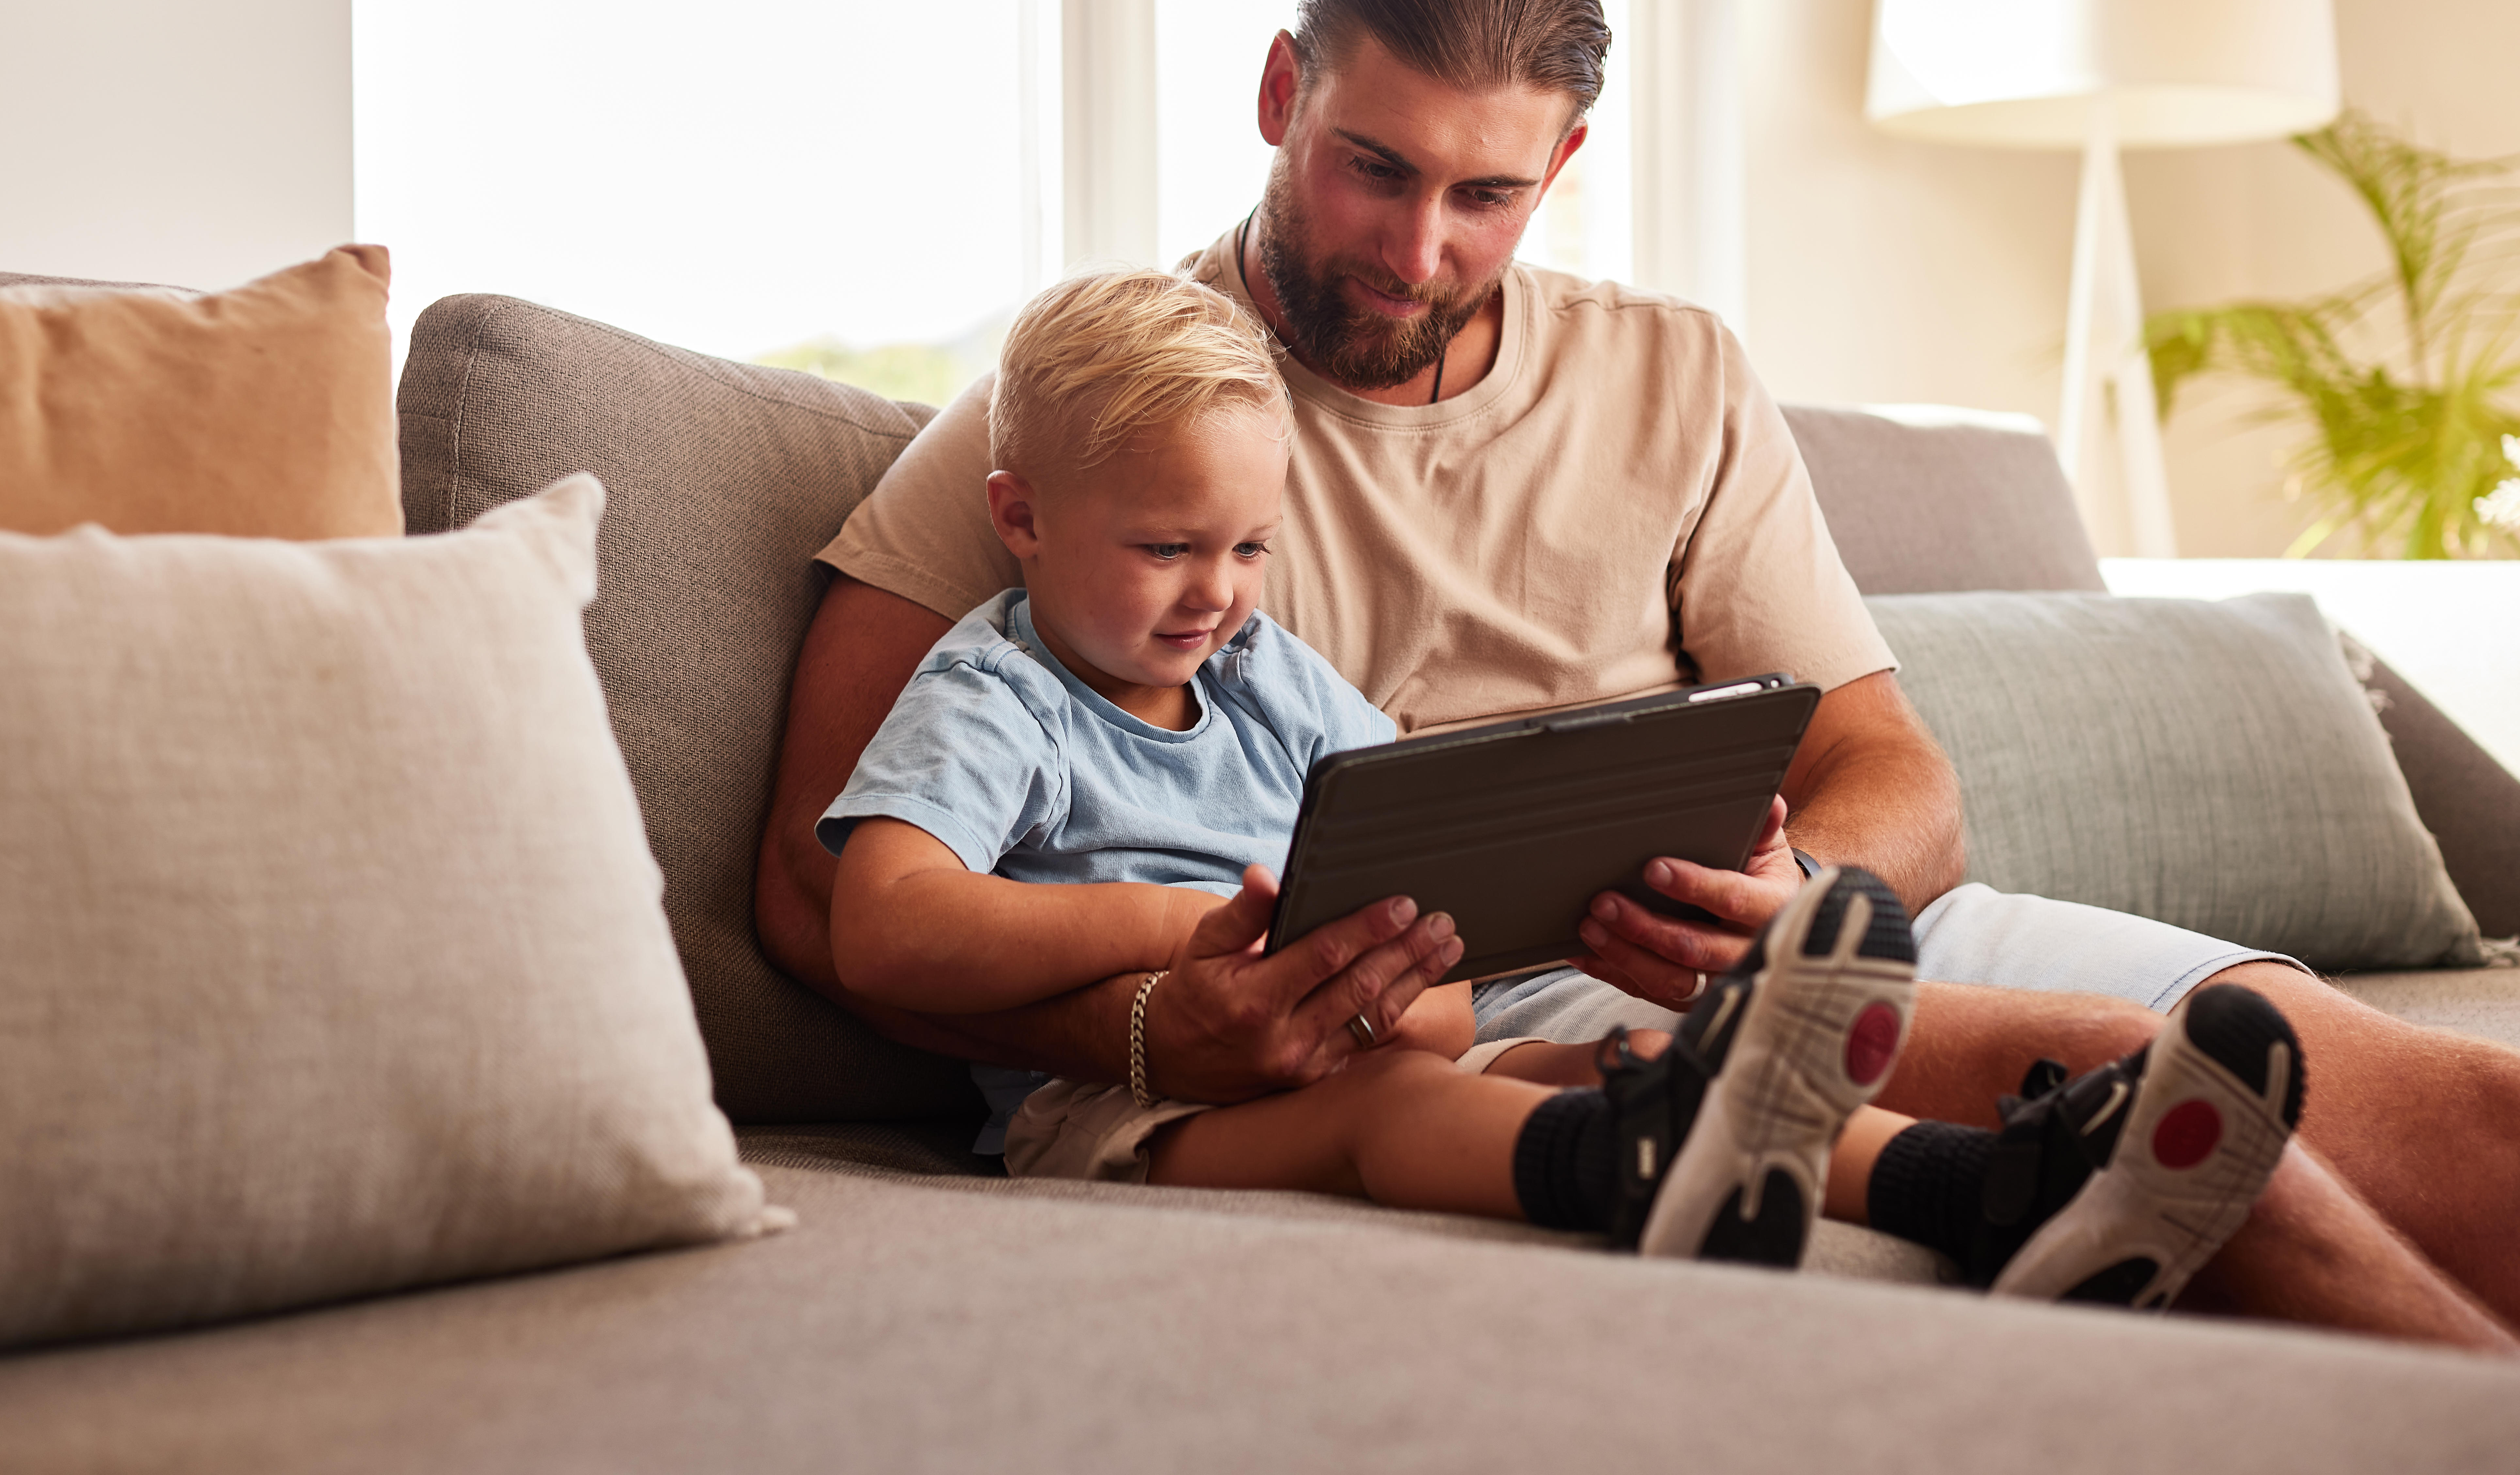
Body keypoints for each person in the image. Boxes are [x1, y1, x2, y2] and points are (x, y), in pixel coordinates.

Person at [758, 0, 2520, 1350]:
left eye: (1488, 195)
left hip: (1766, 942)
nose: (1419, 250)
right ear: (1284, 88)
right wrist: (1149, 1025)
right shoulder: (1106, 415)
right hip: (1505, 1004)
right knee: (2173, 1091)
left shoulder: (1673, 371)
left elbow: (1892, 769)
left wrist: (1796, 900)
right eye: (1375, 165)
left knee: (2441, 1105)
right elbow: (821, 885)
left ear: (1568, 159)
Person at [820, 264, 2311, 1306]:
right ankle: (1635, 1161)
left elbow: (1430, 922)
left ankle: (1993, 1185)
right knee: (1394, 1109)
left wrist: (1402, 940)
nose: (1216, 592)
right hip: (1113, 1104)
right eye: (1165, 549)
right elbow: (882, 923)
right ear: (1016, 516)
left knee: (1596, 1063)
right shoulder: (997, 689)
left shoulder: (1263, 675)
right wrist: (1183, 933)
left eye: (1248, 545)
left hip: (1353, 1032)